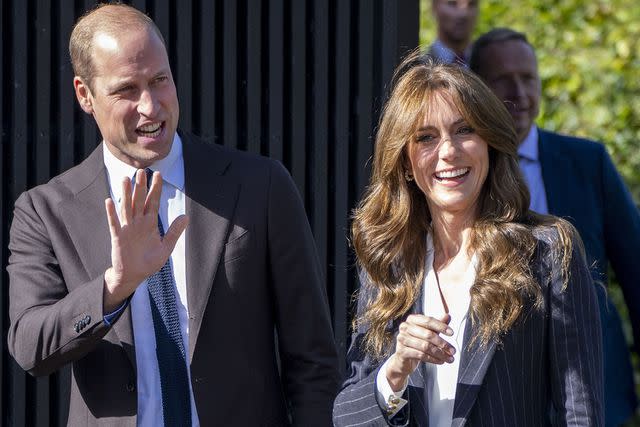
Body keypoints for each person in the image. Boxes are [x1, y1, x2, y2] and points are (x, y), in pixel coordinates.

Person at [6, 4, 340, 426]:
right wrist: (115, 287)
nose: (150, 106)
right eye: (127, 89)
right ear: (85, 95)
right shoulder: (46, 210)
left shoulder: (260, 186)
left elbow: (313, 360)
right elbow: (30, 346)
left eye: (160, 80)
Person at [333, 53, 603, 426]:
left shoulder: (547, 250)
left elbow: (580, 412)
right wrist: (394, 371)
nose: (448, 151)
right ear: (406, 164)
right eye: (426, 137)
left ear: (490, 144)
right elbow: (346, 415)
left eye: (465, 130)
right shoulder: (389, 262)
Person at [469, 28, 640, 427]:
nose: (520, 93)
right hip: (502, 394)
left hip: (594, 384)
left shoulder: (588, 162)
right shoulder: (459, 173)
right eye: (504, 79)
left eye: (528, 78)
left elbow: (636, 269)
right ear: (477, 89)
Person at [426, 0, 478, 65]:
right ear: (434, 7)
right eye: (452, 3)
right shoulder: (419, 65)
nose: (463, 14)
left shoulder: (488, 64)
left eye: (471, 4)